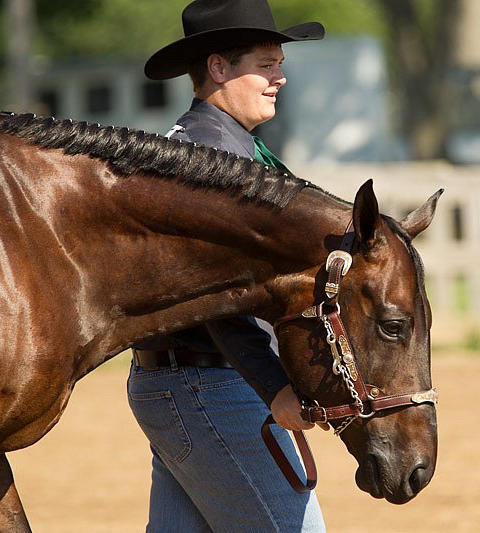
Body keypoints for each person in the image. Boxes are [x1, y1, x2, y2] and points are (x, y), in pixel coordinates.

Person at [127, 1, 327, 531]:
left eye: (278, 63)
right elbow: (217, 292)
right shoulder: (212, 160)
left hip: (187, 380)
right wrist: (273, 385)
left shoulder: (219, 147)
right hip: (212, 382)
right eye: (265, 64)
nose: (280, 77)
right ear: (218, 68)